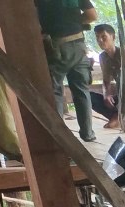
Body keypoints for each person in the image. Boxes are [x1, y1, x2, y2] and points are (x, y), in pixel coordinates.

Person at [35, 0, 98, 142]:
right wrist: (74, 22)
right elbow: (92, 15)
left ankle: (59, 138)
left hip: (56, 45)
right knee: (81, 90)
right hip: (79, 45)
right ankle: (88, 133)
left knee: (55, 91)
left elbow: (32, 19)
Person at [92, 22, 122, 129]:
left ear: (113, 37)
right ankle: (116, 116)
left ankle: (120, 116)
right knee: (90, 97)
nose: (100, 40)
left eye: (104, 37)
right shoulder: (103, 57)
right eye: (97, 37)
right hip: (119, 96)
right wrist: (106, 95)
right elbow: (106, 80)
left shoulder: (124, 55)